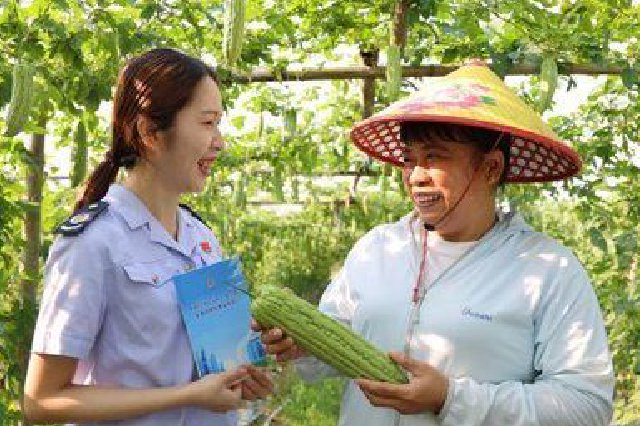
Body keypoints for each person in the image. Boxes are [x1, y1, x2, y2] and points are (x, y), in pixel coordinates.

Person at [255, 64, 614, 425]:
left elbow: (586, 406)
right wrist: (303, 347)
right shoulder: (377, 249)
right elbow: (331, 349)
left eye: (434, 157)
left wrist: (451, 398)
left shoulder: (547, 268)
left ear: (490, 168)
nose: (415, 177)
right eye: (409, 160)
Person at [23, 48, 273, 425]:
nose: (220, 142)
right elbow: (42, 401)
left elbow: (217, 362)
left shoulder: (202, 238)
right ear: (150, 132)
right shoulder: (92, 243)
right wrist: (188, 396)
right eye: (207, 123)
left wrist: (248, 363)